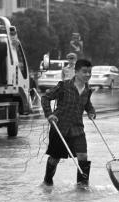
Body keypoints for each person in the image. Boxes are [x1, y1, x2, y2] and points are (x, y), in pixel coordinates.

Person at [41, 59, 96, 187]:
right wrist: (49, 115)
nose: (88, 75)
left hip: (77, 129)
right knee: (55, 158)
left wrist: (91, 112)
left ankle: (82, 187)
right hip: (60, 127)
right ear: (76, 72)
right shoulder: (64, 86)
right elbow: (45, 98)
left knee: (83, 155)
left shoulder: (88, 90)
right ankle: (47, 182)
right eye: (84, 72)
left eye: (90, 72)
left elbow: (87, 104)